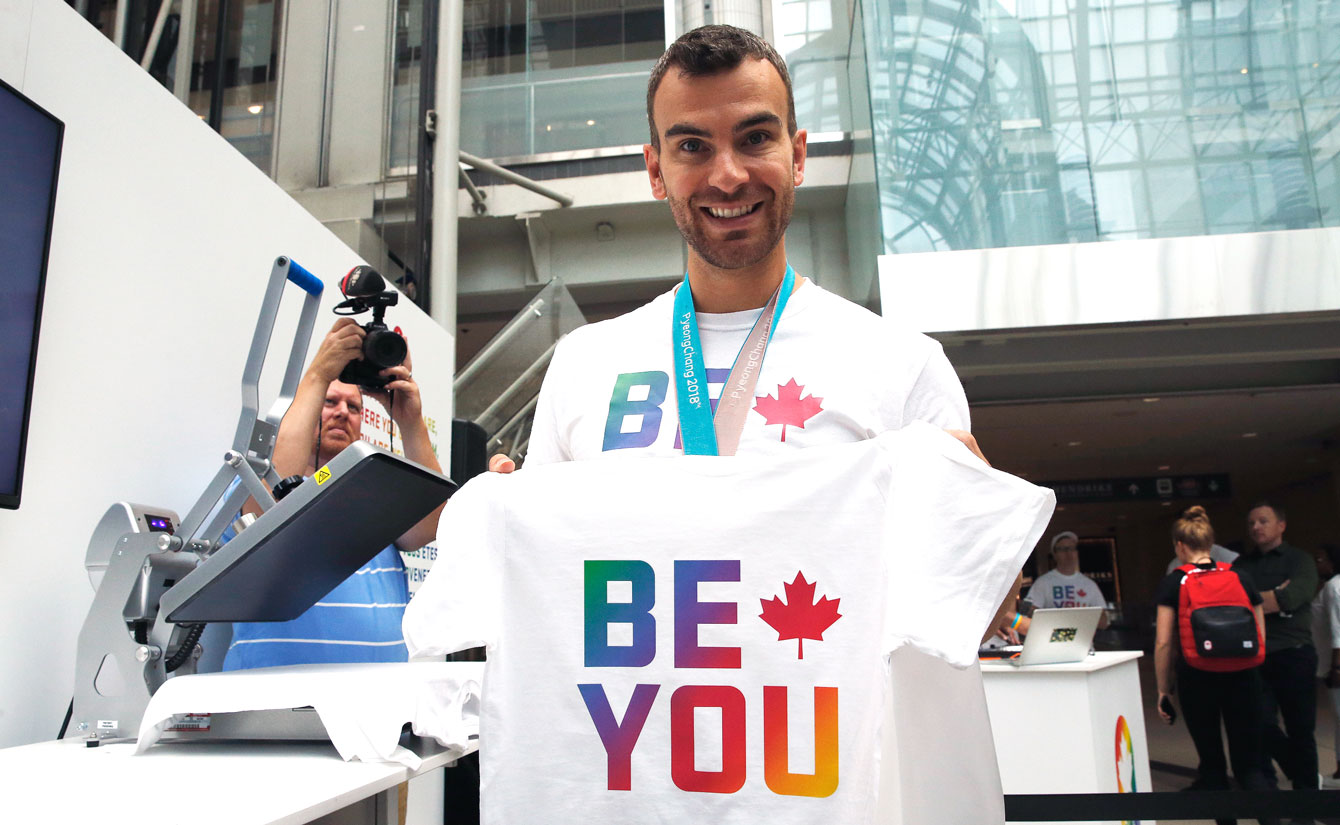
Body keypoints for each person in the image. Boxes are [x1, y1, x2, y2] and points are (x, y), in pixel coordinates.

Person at [483, 24, 1012, 823]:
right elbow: (553, 618)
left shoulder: (901, 364)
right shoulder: (586, 365)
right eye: (692, 146)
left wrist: (972, 521)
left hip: (827, 796)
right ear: (656, 170)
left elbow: (978, 618)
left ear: (797, 154)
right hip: (634, 792)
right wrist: (509, 534)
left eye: (755, 137)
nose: (727, 173)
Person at [222, 317, 444, 669]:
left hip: (376, 703)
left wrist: (409, 420)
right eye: (329, 402)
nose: (343, 412)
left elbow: (429, 526)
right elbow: (268, 513)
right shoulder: (252, 478)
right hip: (276, 698)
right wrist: (317, 376)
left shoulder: (374, 490)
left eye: (354, 407)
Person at [1154, 506, 1271, 823]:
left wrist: (1164, 690)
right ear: (1210, 542)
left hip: (1197, 679)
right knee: (1250, 767)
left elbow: (1164, 643)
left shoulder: (1174, 582)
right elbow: (1259, 632)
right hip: (1244, 679)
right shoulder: (1239, 576)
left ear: (1180, 546)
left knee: (1213, 766)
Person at [1232, 502, 1320, 794]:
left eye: (1263, 521)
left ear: (1281, 525)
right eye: (1251, 523)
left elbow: (1294, 596)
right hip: (1254, 656)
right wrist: (1273, 597)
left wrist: (1272, 599)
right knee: (1259, 725)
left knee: (1301, 729)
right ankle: (1283, 781)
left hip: (1294, 654)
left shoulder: (1300, 560)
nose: (1256, 527)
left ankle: (1306, 799)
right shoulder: (1241, 566)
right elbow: (1232, 606)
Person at [1023, 531, 1110, 629]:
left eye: (1072, 548)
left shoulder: (1089, 585)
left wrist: (1076, 616)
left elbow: (1104, 621)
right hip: (1053, 642)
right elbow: (1028, 611)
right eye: (1063, 549)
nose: (1068, 553)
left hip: (1082, 642)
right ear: (1054, 554)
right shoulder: (1043, 582)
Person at [1312, 543, 1340, 785]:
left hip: (1335, 666)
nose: (1317, 563)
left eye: (1320, 559)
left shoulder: (1333, 587)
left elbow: (1337, 632)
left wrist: (1336, 668)